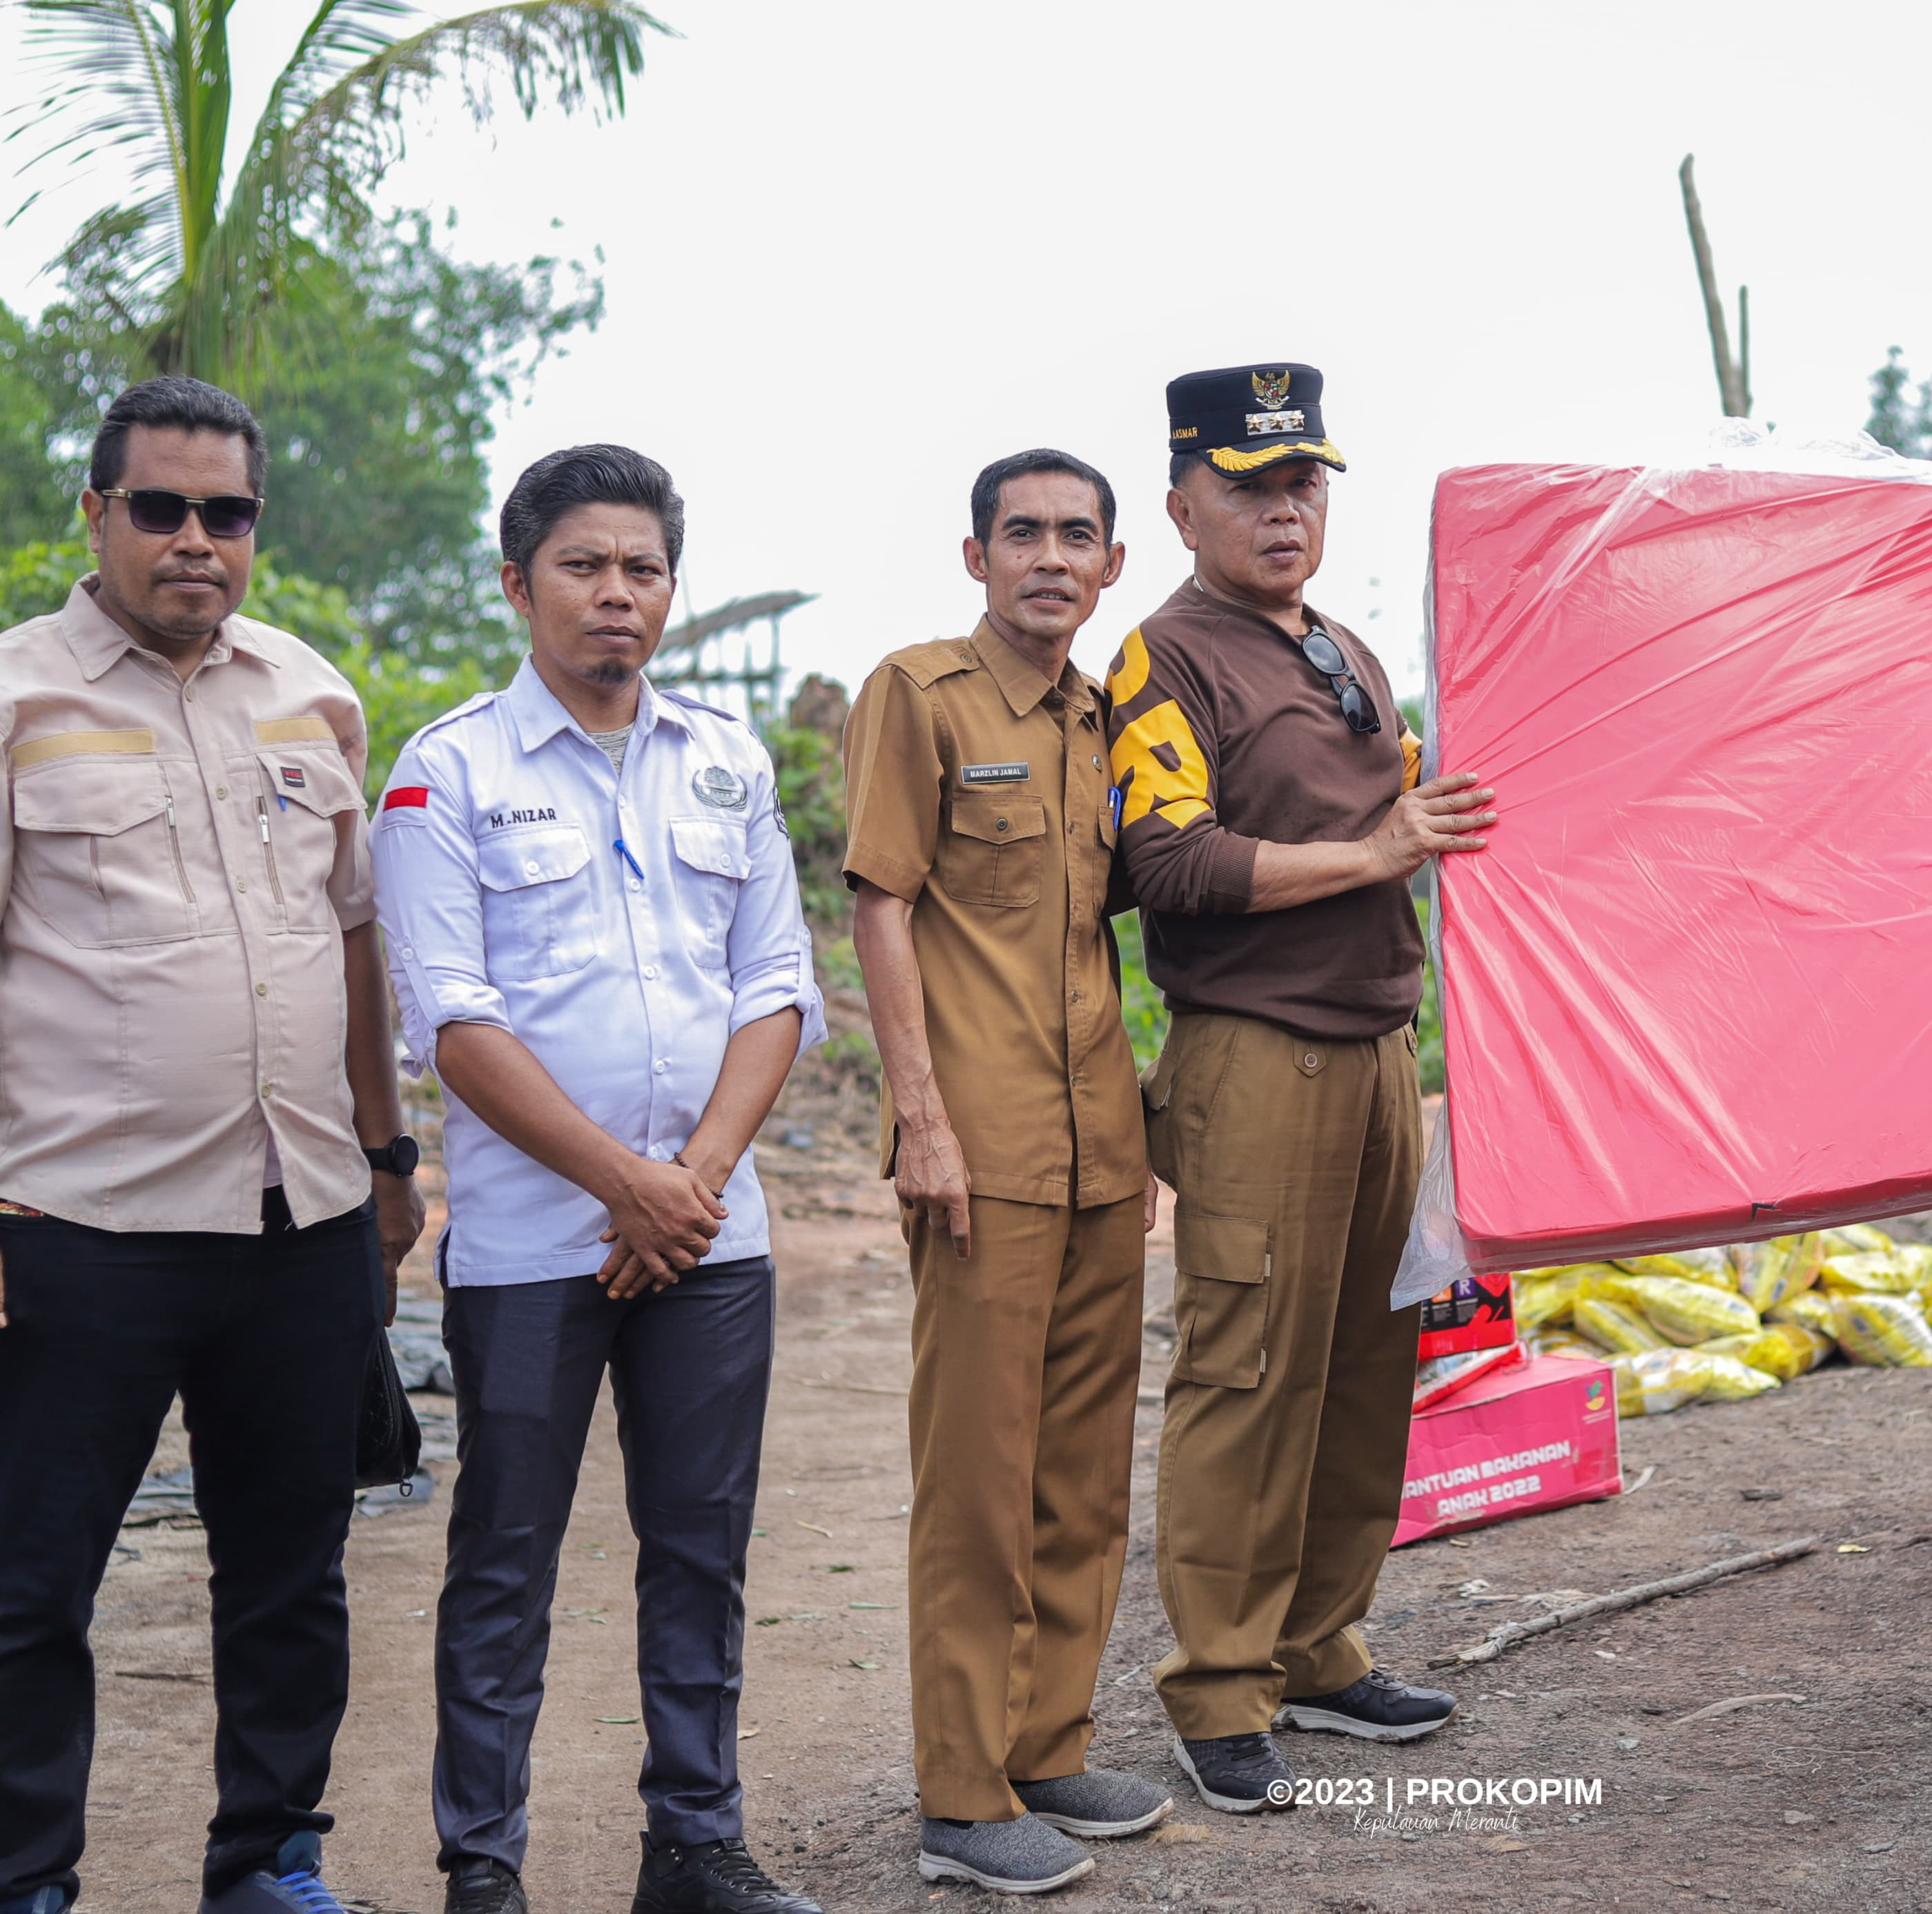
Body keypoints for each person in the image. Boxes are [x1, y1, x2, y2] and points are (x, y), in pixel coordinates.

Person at [372, 446, 826, 1914]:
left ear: (670, 590)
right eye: (583, 564)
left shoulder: (728, 757)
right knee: (503, 1563)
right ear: (518, 584)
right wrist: (624, 1186)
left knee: (699, 1549)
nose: (616, 593)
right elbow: (452, 1019)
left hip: (711, 1239)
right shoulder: (446, 770)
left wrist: (684, 1185)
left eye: (641, 567)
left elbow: (775, 988)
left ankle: (693, 1845)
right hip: (526, 1247)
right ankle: (484, 1871)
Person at [0, 375, 426, 1914]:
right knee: (29, 1584)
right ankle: (27, 1878)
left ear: (257, 526)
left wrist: (387, 1166)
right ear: (98, 512)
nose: (196, 539)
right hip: (75, 1224)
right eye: (162, 508)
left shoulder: (311, 693)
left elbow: (357, 947)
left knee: (291, 1577)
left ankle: (267, 1864)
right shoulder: (18, 698)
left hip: (298, 1216)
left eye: (226, 512)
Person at [1111, 364, 1491, 1814]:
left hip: (1379, 1047)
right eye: (1251, 485)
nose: (1284, 508)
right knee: (1245, 1366)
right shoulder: (1166, 657)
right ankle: (1218, 1684)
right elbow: (1172, 865)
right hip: (1253, 1054)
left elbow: (1404, 804)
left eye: (1303, 482)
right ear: (1182, 503)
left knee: (1363, 1359)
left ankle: (1319, 1643)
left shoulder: (1339, 645)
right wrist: (1378, 850)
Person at [843, 449, 1172, 1895]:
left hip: (1101, 1144)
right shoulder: (921, 697)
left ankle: (1048, 1742)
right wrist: (920, 1115)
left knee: (1084, 1471)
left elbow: (1103, 934)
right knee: (978, 1473)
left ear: (1109, 564)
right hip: (975, 1148)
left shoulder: (1108, 719)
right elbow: (883, 906)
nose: (1050, 555)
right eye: (1023, 532)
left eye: (1076, 536)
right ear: (975, 556)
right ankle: (962, 1793)